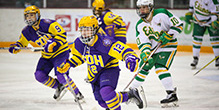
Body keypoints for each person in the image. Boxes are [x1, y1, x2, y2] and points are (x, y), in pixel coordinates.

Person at [57, 15, 143, 110]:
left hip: (109, 69)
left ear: (95, 29)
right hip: (94, 75)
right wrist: (69, 64)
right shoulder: (78, 43)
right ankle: (129, 95)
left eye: (88, 29)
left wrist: (129, 56)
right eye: (82, 30)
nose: (84, 33)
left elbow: (120, 48)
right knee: (103, 103)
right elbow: (79, 57)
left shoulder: (104, 41)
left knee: (106, 92)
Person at [8, 5, 83, 101]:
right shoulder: (26, 31)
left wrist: (54, 43)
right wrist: (16, 47)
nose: (29, 18)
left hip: (60, 53)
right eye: (27, 16)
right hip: (46, 56)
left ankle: (78, 95)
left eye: (32, 15)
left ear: (38, 15)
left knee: (61, 75)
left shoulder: (49, 24)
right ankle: (59, 86)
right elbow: (21, 43)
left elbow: (62, 35)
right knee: (39, 75)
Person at [129, 0, 183, 107]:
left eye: (144, 7)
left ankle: (171, 93)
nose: (142, 10)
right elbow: (144, 42)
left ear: (151, 7)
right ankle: (133, 90)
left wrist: (169, 34)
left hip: (168, 46)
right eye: (140, 8)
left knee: (160, 67)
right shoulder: (140, 25)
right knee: (145, 65)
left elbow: (179, 25)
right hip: (154, 49)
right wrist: (145, 53)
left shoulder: (162, 13)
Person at [185, 0, 219, 69]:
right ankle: (195, 58)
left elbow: (215, 12)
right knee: (196, 39)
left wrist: (214, 21)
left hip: (210, 20)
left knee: (215, 39)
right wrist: (189, 14)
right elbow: (191, 8)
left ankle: (217, 58)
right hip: (198, 20)